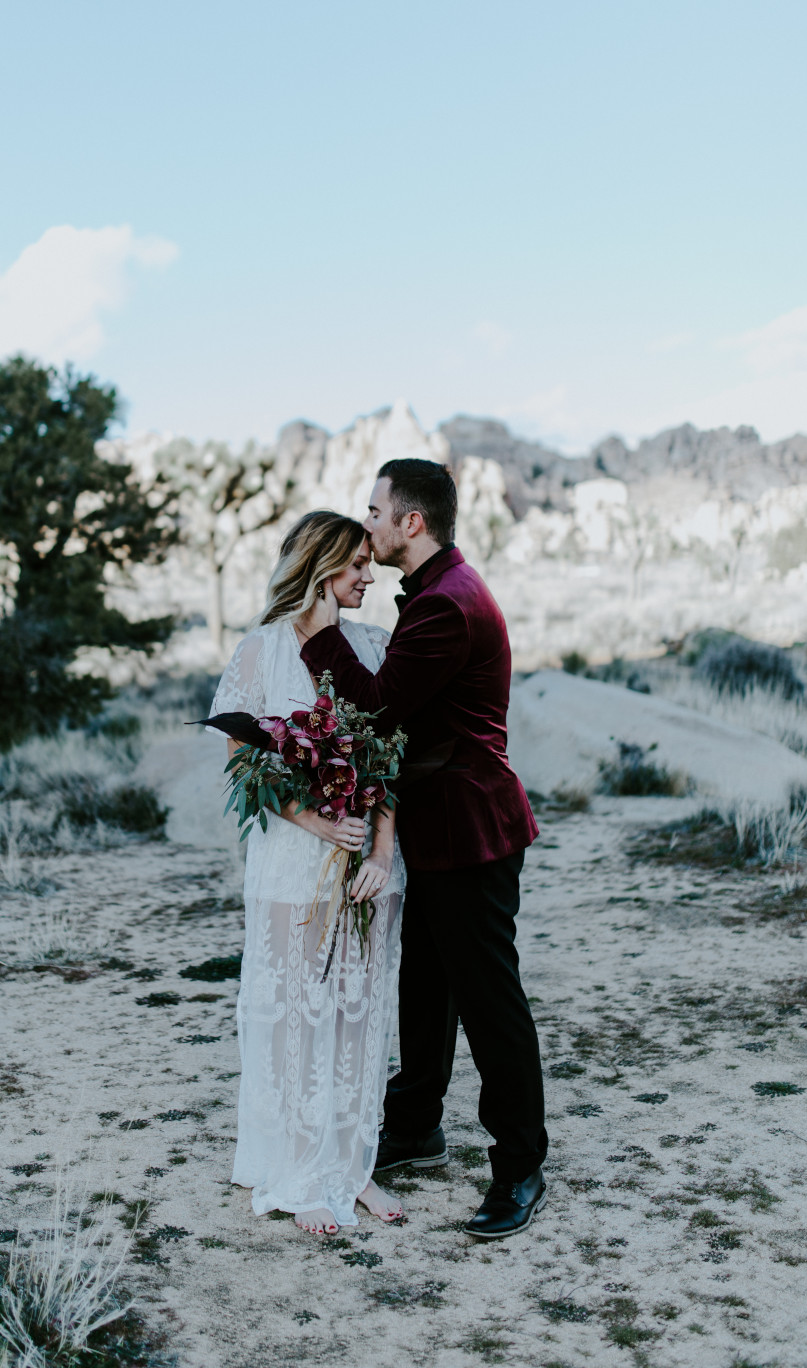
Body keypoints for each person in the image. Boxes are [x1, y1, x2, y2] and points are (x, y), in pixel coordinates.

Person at [296, 458, 548, 1240]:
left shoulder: (444, 605)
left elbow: (374, 710)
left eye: (373, 511)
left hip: (470, 827)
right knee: (425, 987)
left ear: (412, 522)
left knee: (487, 1000)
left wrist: (319, 639)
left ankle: (519, 1167)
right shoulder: (442, 590)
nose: (363, 523)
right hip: (441, 824)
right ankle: (414, 1125)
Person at [210, 511, 406, 1236]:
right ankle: (300, 1175)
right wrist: (319, 821)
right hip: (294, 862)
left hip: (366, 866)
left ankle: (351, 1168)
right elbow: (241, 759)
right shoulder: (260, 651)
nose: (368, 575)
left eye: (370, 562)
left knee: (358, 1018)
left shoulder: (374, 647)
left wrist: (381, 850)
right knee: (297, 1017)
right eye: (356, 563)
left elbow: (391, 762)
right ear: (321, 566)